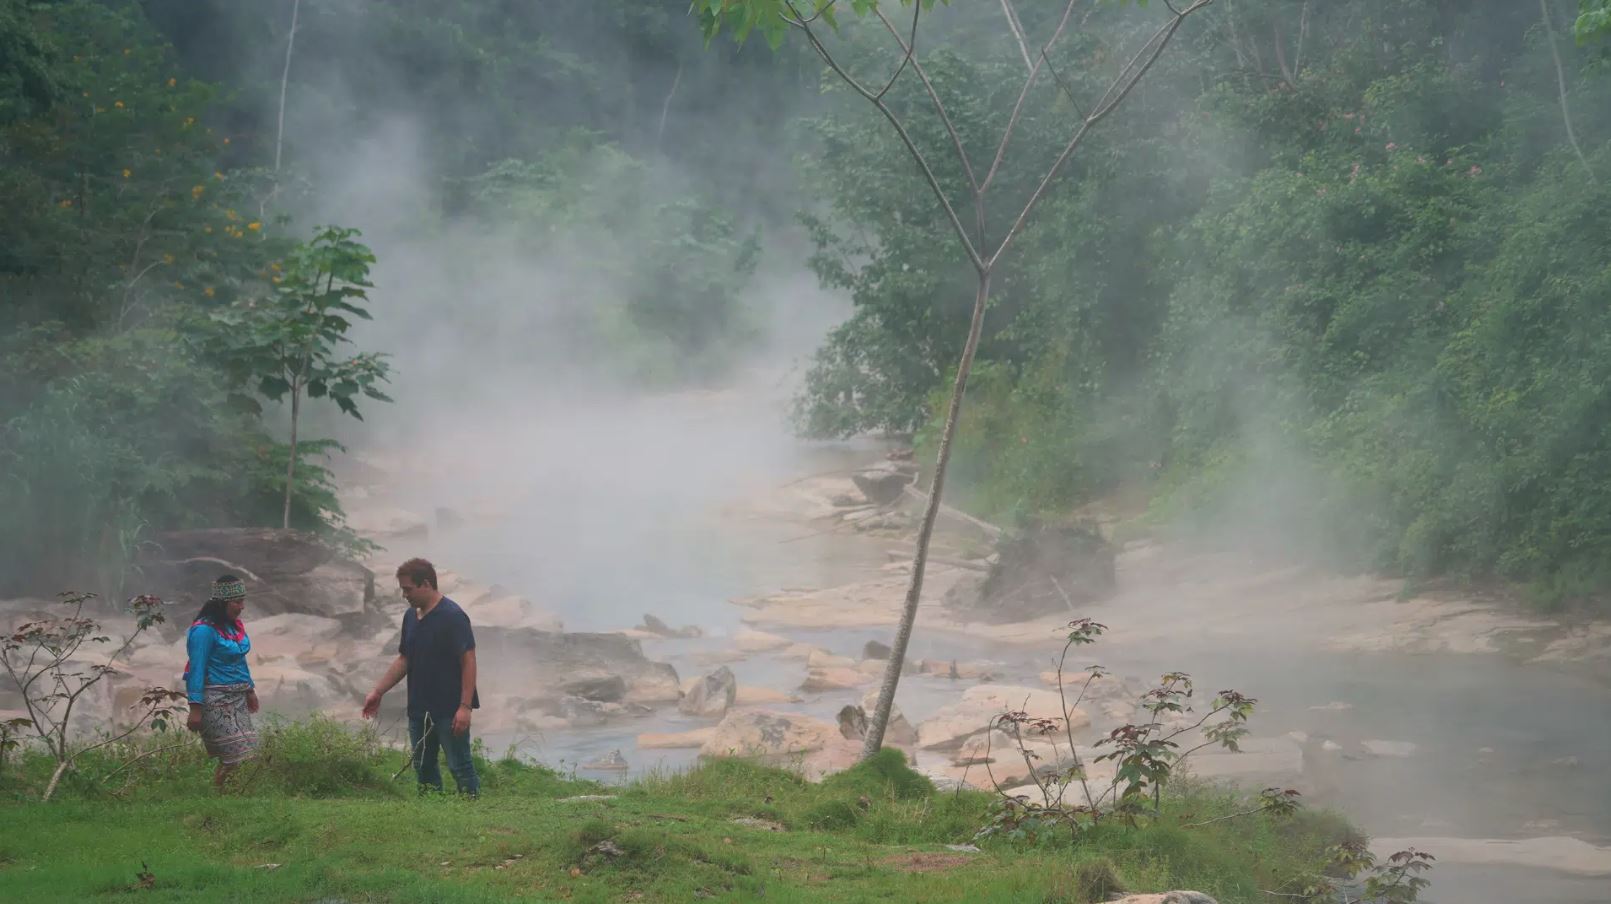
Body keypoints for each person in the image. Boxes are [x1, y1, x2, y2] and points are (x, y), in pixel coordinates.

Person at [362, 557, 480, 796]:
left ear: (426, 584)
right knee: (423, 766)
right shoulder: (410, 617)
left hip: (449, 708)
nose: (405, 595)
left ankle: (473, 814)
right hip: (418, 708)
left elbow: (468, 660)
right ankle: (432, 813)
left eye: (408, 589)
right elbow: (405, 659)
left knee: (460, 765)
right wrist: (378, 691)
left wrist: (465, 707)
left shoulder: (453, 616)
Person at [183, 574, 260, 788]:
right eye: (237, 602)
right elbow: (196, 669)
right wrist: (195, 708)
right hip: (215, 700)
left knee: (248, 753)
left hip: (237, 698)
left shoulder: (232, 628)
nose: (242, 606)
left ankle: (234, 796)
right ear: (222, 603)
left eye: (242, 600)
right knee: (233, 758)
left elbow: (239, 661)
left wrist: (249, 690)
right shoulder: (203, 631)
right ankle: (221, 798)